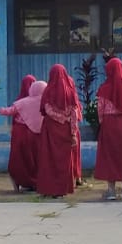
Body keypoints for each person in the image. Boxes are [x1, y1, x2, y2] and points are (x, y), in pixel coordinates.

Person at [93, 57, 122, 200]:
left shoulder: (104, 89)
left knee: (109, 155)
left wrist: (103, 122)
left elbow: (100, 110)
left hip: (109, 124)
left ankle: (111, 190)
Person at [37, 65, 82, 198]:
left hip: (50, 129)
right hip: (65, 130)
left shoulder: (48, 91)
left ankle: (48, 189)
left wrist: (59, 118)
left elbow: (47, 110)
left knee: (48, 159)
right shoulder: (70, 92)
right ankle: (62, 189)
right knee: (64, 160)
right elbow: (74, 113)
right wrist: (72, 132)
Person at [0, 76, 42, 193]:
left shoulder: (21, 101)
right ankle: (37, 182)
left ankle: (21, 182)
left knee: (20, 159)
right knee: (37, 159)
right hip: (39, 135)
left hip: (20, 134)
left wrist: (1, 110)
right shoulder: (45, 101)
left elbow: (9, 111)